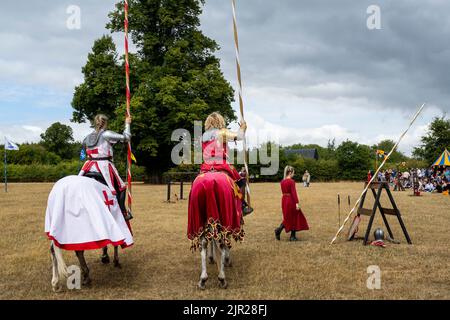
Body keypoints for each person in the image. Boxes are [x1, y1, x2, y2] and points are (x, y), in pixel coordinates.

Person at [79, 114, 133, 220]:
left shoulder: (87, 137)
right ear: (105, 123)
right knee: (121, 187)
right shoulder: (106, 134)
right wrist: (127, 124)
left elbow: (83, 154)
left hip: (88, 165)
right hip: (103, 165)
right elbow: (126, 138)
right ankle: (123, 213)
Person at [200, 112, 253, 215]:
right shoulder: (222, 132)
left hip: (206, 166)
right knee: (240, 182)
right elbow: (239, 136)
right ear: (220, 121)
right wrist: (243, 126)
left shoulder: (203, 136)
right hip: (221, 163)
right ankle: (242, 206)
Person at [274, 166, 309, 241]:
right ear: (290, 173)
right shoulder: (291, 181)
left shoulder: (282, 181)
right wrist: (297, 203)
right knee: (293, 217)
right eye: (293, 172)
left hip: (284, 199)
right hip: (290, 200)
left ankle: (279, 230)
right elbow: (294, 193)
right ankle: (291, 236)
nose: (294, 174)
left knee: (288, 217)